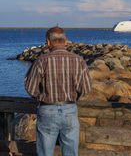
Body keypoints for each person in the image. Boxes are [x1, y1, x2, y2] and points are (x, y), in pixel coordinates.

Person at [25, 27, 92, 156]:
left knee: (44, 152)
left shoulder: (41, 60)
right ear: (66, 41)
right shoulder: (79, 60)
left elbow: (30, 87)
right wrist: (74, 97)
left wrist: (42, 96)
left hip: (47, 109)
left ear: (48, 41)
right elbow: (86, 88)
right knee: (71, 152)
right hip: (70, 109)